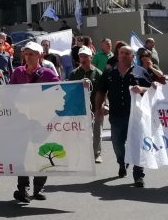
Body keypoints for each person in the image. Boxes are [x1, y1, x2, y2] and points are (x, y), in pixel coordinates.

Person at [94, 45, 152, 187]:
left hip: (136, 115)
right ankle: (122, 162)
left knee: (137, 144)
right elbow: (101, 92)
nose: (124, 55)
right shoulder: (108, 72)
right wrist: (98, 108)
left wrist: (142, 89)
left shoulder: (141, 72)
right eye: (122, 53)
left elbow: (152, 90)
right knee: (117, 143)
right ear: (118, 55)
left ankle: (138, 175)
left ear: (133, 57)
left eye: (128, 53)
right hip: (116, 115)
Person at [10, 42, 59, 205]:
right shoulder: (18, 72)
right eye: (26, 54)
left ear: (40, 56)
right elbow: (10, 94)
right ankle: (23, 188)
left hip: (42, 121)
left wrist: (83, 85)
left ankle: (39, 187)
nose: (28, 57)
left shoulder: (48, 74)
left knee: (41, 153)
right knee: (21, 154)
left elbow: (59, 93)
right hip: (22, 121)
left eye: (32, 54)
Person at [67, 46, 103, 163]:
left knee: (97, 131)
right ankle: (82, 153)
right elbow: (69, 90)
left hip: (96, 107)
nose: (83, 58)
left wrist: (104, 105)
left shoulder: (97, 73)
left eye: (85, 56)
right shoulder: (74, 73)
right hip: (80, 108)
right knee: (80, 132)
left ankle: (96, 154)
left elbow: (103, 91)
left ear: (90, 57)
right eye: (81, 56)